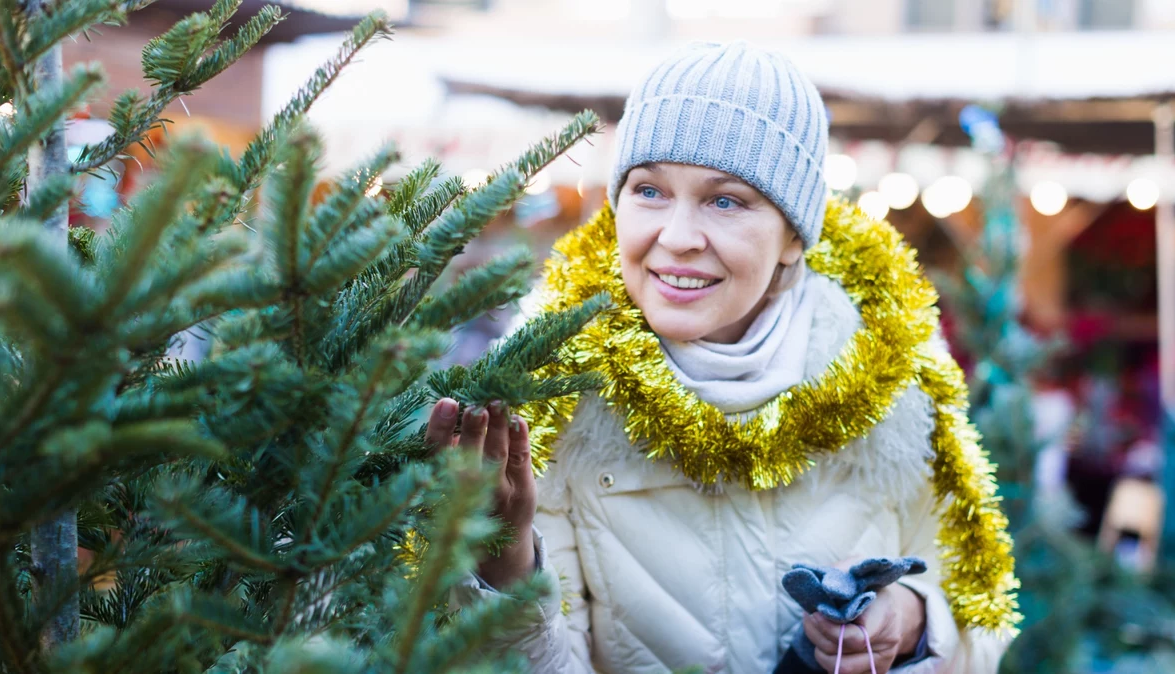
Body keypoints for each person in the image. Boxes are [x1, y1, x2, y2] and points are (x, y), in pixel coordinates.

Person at [428, 41, 1018, 673]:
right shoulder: (554, 392)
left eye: (725, 200)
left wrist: (911, 618)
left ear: (794, 234)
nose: (677, 238)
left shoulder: (892, 373)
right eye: (649, 190)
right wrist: (505, 559)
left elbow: (975, 611)